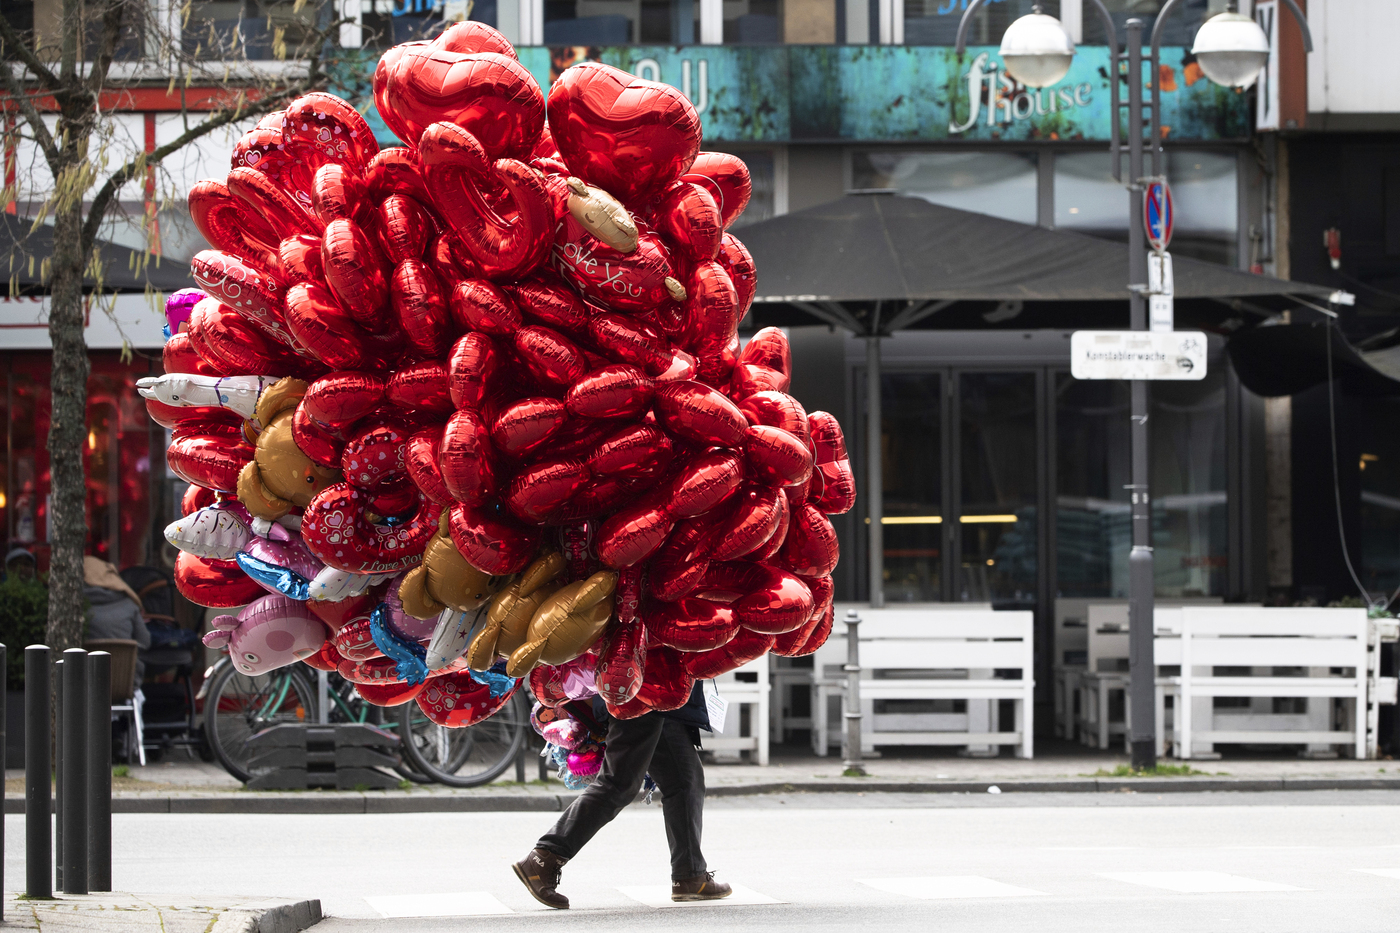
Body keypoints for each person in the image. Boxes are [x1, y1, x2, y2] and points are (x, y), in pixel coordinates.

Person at [513, 681, 731, 909]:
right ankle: (544, 857)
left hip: (662, 690)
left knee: (684, 780)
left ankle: (690, 875)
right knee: (618, 782)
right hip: (641, 686)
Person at [83, 556, 152, 688]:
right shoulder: (129, 605)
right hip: (126, 684)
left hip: (87, 685)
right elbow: (145, 642)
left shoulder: (75, 609)